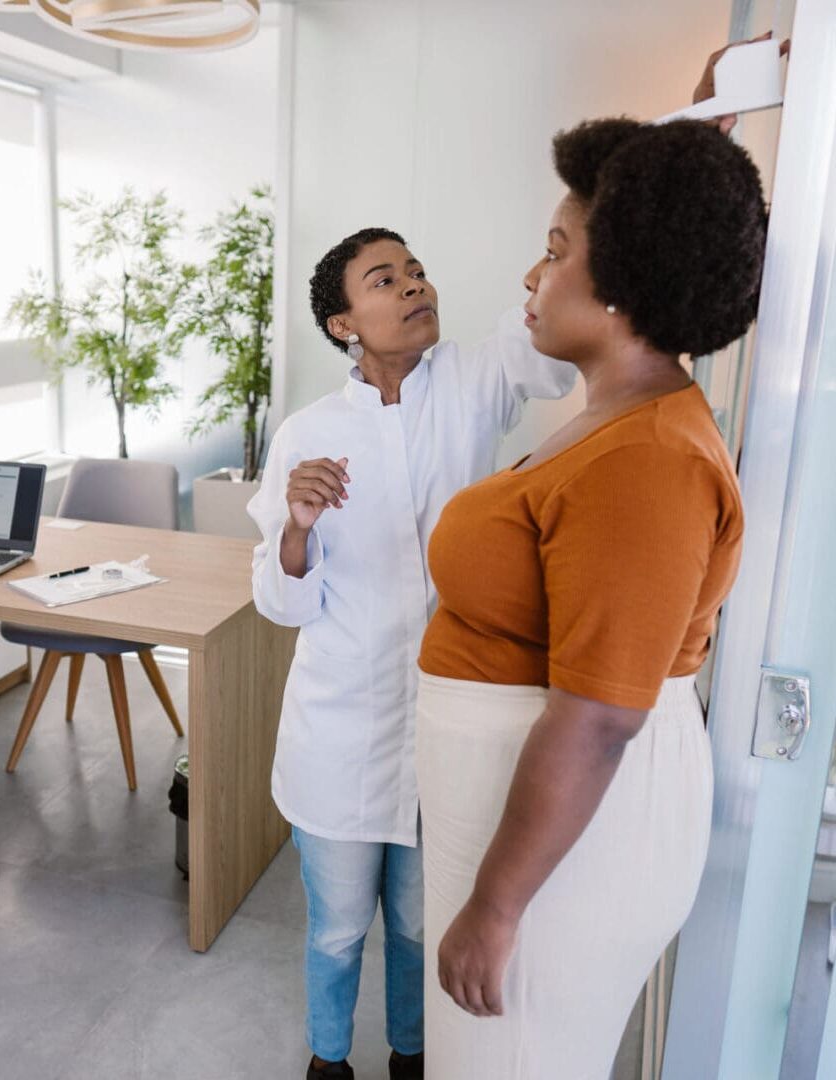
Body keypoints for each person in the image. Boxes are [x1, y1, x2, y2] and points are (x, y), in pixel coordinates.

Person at [415, 117, 767, 1078]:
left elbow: (601, 716)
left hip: (558, 857)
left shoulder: (646, 460)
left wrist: (496, 906)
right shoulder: (612, 420)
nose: (532, 276)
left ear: (622, 285)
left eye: (556, 251)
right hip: (518, 828)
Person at [246, 229, 575, 1080]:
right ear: (341, 323)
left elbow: (547, 331)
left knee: (421, 922)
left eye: (417, 272)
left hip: (450, 717)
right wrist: (297, 527)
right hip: (340, 729)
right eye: (384, 280)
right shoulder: (306, 434)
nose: (413, 288)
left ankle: (410, 1057)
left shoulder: (472, 379)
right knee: (338, 925)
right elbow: (283, 604)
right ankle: (328, 1061)